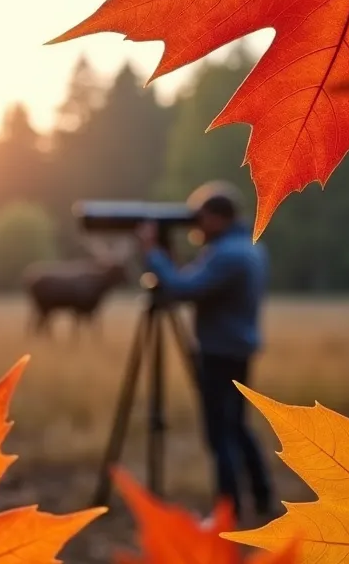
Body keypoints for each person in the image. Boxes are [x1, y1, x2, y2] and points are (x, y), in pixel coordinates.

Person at [135, 180, 277, 520]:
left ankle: (228, 509)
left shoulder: (228, 254)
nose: (195, 225)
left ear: (217, 217)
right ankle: (262, 496)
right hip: (237, 348)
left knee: (220, 432)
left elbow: (184, 288)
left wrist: (153, 252)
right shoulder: (249, 247)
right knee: (238, 426)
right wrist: (168, 260)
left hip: (219, 352)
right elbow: (194, 282)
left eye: (200, 218)